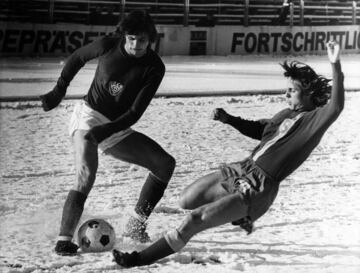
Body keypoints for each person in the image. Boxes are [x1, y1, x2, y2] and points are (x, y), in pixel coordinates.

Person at [112, 40, 344, 267]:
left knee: (193, 220)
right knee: (186, 200)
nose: (286, 95)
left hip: (258, 188)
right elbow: (261, 130)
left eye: (292, 91)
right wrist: (229, 119)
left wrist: (336, 65)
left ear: (308, 93)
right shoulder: (286, 113)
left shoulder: (315, 119)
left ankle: (138, 259)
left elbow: (336, 106)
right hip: (242, 169)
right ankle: (236, 214)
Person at [39, 10, 176, 255]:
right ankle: (63, 240)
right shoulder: (107, 45)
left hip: (117, 125)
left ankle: (136, 225)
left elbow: (135, 112)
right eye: (132, 38)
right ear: (124, 36)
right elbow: (77, 58)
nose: (136, 45)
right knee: (86, 174)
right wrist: (58, 91)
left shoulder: (154, 67)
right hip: (89, 116)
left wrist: (107, 130)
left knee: (164, 164)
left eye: (142, 40)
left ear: (151, 40)